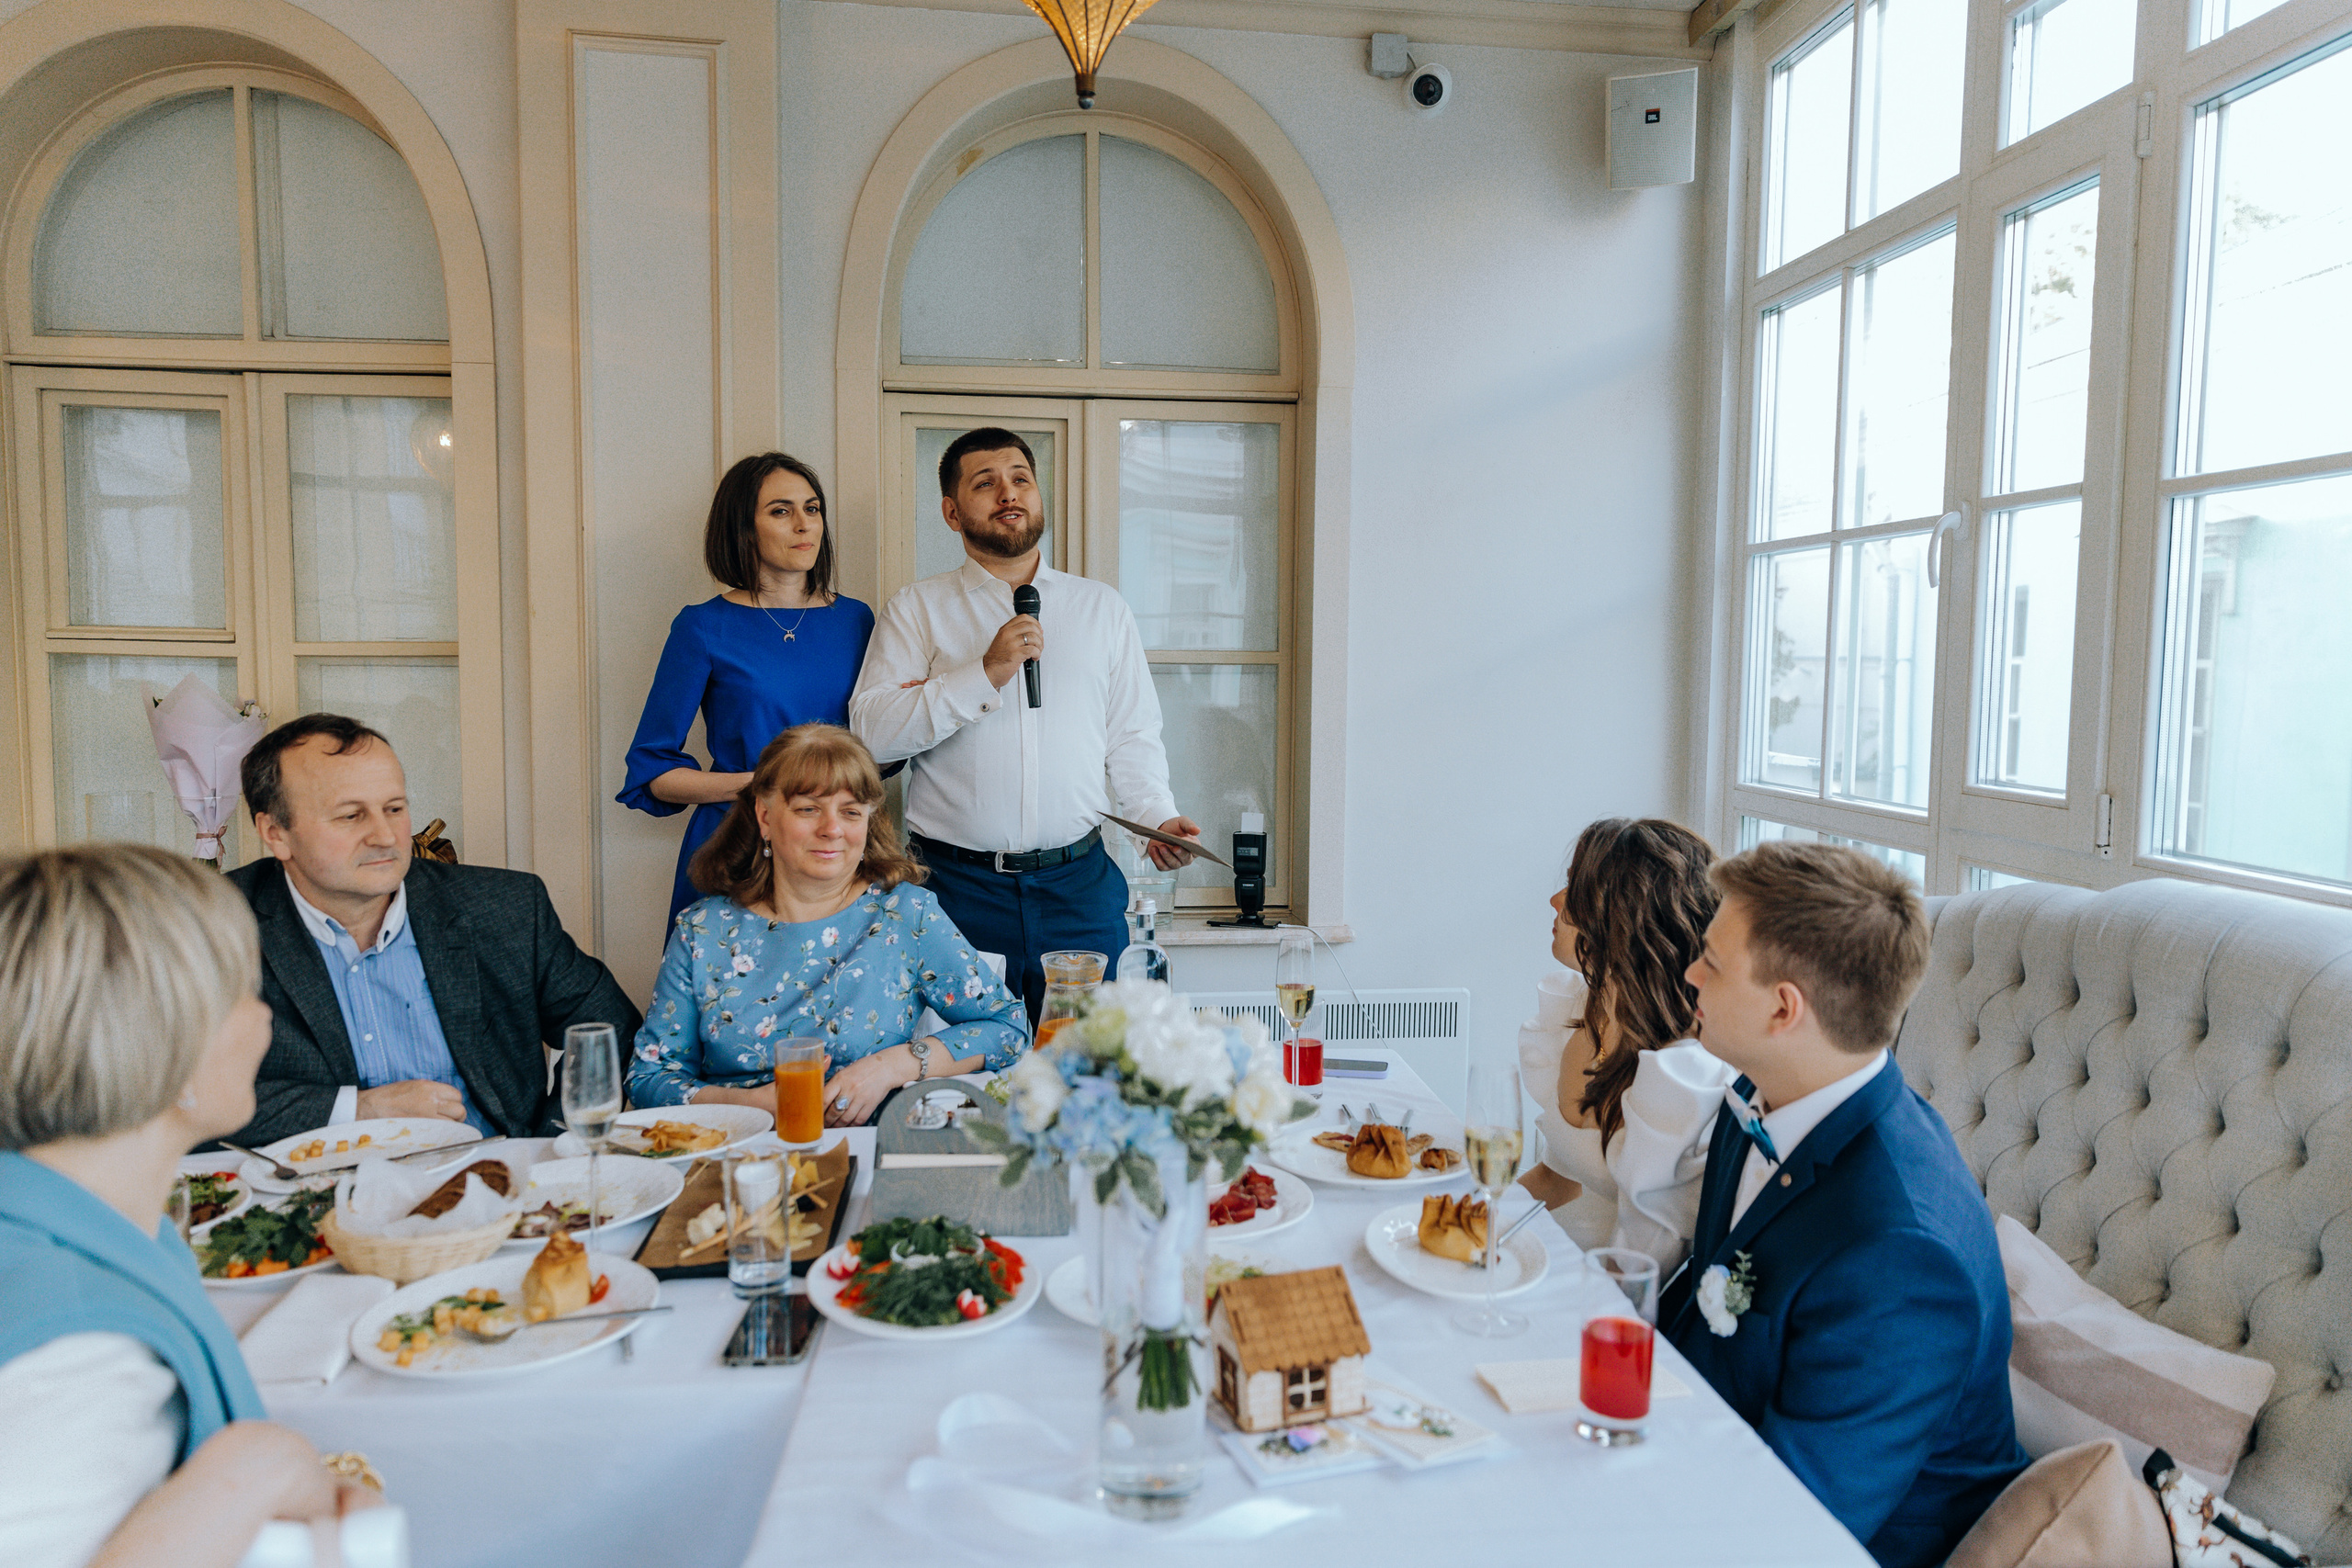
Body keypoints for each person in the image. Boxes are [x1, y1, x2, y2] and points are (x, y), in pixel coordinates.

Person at [0, 845, 381, 1568]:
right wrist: (253, 1466)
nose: (264, 1015)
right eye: (242, 989)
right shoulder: (80, 1355)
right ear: (168, 1042)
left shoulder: (98, 1233)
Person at [1659, 841, 2025, 1568]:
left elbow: (1794, 1531)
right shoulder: (1760, 1099)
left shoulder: (1903, 1253)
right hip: (1700, 1468)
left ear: (1783, 1008)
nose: (1689, 972)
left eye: (1712, 960)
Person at [849, 427, 1198, 1021]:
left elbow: (1132, 735)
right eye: (985, 483)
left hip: (1080, 890)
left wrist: (1156, 820)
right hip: (956, 892)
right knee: (966, 1080)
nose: (1008, 493)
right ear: (952, 512)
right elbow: (871, 736)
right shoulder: (915, 609)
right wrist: (983, 673)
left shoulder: (1101, 608)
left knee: (1090, 1077)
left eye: (1020, 479)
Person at [226, 714, 641, 1145]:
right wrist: (358, 1110)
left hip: (497, 1178)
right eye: (351, 816)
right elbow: (174, 1094)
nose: (385, 836)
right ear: (275, 834)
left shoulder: (503, 908)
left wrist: (550, 1144)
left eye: (395, 809)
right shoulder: (213, 924)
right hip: (308, 1191)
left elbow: (611, 1026)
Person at [629, 724, 1028, 1124]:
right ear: (765, 817)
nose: (832, 829)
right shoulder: (702, 930)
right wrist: (758, 1107)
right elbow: (649, 1077)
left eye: (850, 812)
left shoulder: (905, 914)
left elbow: (1008, 1027)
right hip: (737, 1152)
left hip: (871, 1151)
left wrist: (893, 1066)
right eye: (808, 808)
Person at [620, 453, 876, 923]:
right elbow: (653, 770)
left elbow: (883, 744)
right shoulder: (702, 626)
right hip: (738, 843)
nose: (804, 525)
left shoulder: (857, 620)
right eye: (781, 511)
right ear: (743, 528)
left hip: (834, 843)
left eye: (812, 508)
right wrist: (763, 788)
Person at [1515, 818, 1731, 1277]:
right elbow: (1557, 1178)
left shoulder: (1681, 1075)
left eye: (1574, 889)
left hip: (1603, 1294)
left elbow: (1638, 1272)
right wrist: (1477, 1219)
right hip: (1549, 1256)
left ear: (1621, 919)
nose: (1556, 901)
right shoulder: (1583, 1012)